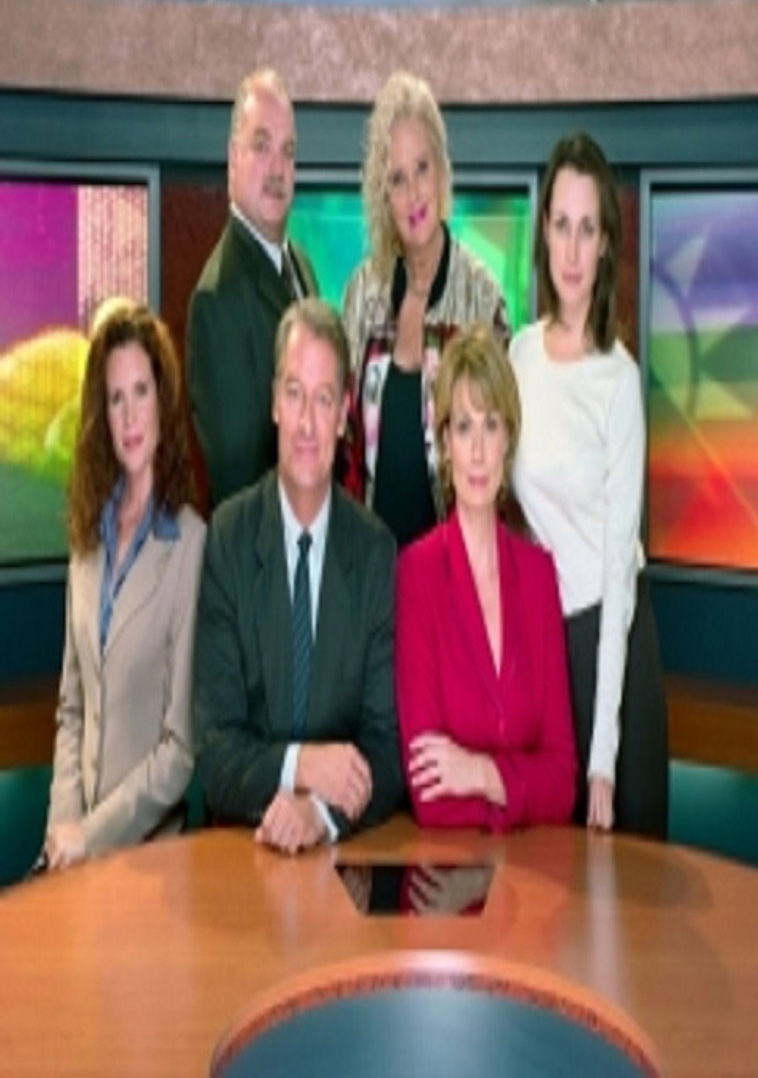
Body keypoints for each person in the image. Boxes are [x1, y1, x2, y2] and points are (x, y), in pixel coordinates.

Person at [193, 298, 403, 855]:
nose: (307, 423)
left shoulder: (376, 553)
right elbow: (215, 751)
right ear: (273, 404)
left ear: (344, 415)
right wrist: (302, 766)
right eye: (294, 393)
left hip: (343, 862)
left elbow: (386, 749)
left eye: (323, 398)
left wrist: (321, 816)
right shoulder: (228, 539)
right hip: (241, 852)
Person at [509, 132, 668, 838]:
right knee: (553, 879)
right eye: (561, 225)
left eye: (587, 229)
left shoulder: (618, 379)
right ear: (544, 231)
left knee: (624, 875)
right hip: (548, 647)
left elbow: (616, 572)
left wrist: (603, 757)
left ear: (606, 244)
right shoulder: (518, 355)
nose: (571, 251)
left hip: (615, 643)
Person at [395, 324, 577, 832]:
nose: (477, 451)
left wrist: (479, 773)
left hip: (536, 869)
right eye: (463, 427)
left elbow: (563, 781)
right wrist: (521, 788)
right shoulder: (416, 574)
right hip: (450, 870)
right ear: (445, 443)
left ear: (508, 441)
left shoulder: (539, 576)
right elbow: (429, 796)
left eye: (491, 426)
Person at [43, 303, 205, 870]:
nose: (131, 416)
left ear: (163, 402)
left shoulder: (189, 543)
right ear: (101, 415)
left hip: (148, 863)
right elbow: (71, 709)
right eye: (116, 399)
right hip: (73, 857)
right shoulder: (86, 536)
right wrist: (64, 828)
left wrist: (91, 835)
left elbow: (179, 749)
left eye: (141, 392)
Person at [342, 70, 509, 548]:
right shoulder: (362, 293)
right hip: (370, 569)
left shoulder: (482, 298)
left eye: (422, 169)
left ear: (442, 170)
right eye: (397, 179)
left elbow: (500, 453)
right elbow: (344, 448)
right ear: (383, 194)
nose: (413, 193)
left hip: (452, 569)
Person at [187, 67, 319, 507]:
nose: (277, 169)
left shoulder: (302, 267)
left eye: (288, 152)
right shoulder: (216, 300)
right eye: (261, 146)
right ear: (233, 158)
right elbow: (239, 484)